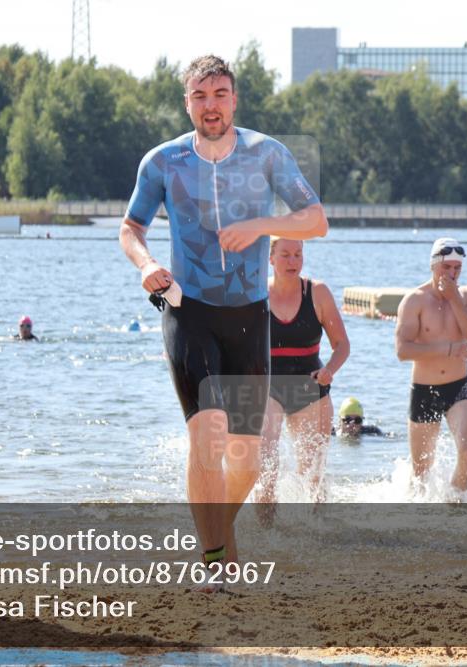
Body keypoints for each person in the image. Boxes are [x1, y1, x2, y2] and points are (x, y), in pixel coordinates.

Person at [119, 55, 328, 577]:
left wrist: (259, 224)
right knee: (207, 434)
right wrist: (146, 265)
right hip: (188, 311)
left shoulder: (266, 154)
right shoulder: (163, 162)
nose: (210, 105)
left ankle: (216, 530)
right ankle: (214, 561)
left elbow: (317, 220)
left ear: (234, 99)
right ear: (186, 103)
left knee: (250, 461)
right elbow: (131, 228)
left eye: (219, 94)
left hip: (248, 317)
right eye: (199, 96)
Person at [255, 238, 350, 505]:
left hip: (310, 385)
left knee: (314, 476)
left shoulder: (317, 293)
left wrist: (330, 369)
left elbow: (342, 344)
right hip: (268, 387)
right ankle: (266, 536)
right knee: (265, 469)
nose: (293, 261)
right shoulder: (257, 293)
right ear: (270, 259)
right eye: (285, 255)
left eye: (298, 254)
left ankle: (318, 537)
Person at [395, 238, 467, 494]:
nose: (452, 274)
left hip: (459, 388)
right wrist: (447, 349)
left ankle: (455, 512)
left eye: (457, 268)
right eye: (447, 268)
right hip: (424, 390)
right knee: (421, 473)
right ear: (434, 266)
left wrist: (454, 299)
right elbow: (402, 351)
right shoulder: (415, 300)